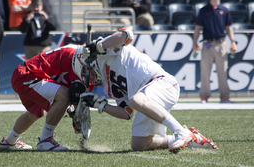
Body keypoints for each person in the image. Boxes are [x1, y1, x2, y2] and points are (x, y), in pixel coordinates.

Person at [77, 28, 218, 152]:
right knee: (139, 144)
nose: (90, 79)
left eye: (85, 72)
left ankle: (180, 131)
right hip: (146, 98)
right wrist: (101, 105)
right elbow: (126, 113)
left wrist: (99, 46)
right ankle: (192, 139)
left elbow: (127, 34)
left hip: (162, 83)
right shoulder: (108, 86)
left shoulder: (104, 52)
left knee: (136, 100)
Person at [0, 44, 94, 151]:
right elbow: (73, 93)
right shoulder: (76, 59)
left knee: (35, 113)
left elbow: (74, 93)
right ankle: (45, 140)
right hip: (28, 75)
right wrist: (78, 115)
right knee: (64, 96)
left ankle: (9, 141)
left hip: (25, 74)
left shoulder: (77, 56)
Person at [193, 0, 236, 104]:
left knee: (223, 71)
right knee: (205, 71)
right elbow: (197, 28)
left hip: (221, 43)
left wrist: (233, 42)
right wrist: (195, 43)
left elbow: (229, 28)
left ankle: (225, 96)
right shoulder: (204, 10)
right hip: (207, 44)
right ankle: (204, 96)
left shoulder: (225, 10)